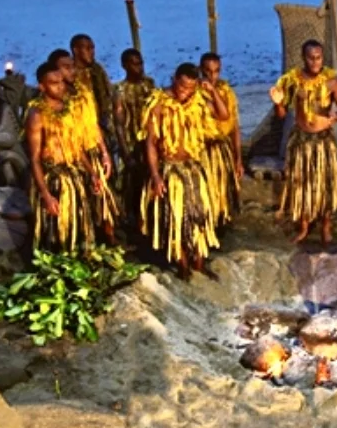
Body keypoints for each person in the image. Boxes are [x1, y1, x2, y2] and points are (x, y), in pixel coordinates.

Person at [141, 62, 228, 279]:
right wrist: (155, 176)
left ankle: (199, 261)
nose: (184, 93)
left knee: (199, 216)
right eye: (181, 87)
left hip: (194, 168)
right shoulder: (159, 105)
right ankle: (182, 263)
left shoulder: (198, 102)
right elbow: (151, 143)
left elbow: (224, 115)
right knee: (177, 218)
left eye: (190, 88)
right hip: (170, 169)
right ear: (174, 79)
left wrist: (212, 91)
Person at [269, 40, 337, 245]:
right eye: (311, 58)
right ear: (303, 58)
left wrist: (332, 119)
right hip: (301, 139)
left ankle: (326, 225)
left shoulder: (333, 82)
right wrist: (278, 103)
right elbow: (281, 115)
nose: (315, 62)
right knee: (301, 182)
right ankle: (304, 226)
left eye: (319, 57)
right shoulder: (292, 81)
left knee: (325, 183)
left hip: (322, 140)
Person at [25, 62, 95, 254]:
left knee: (79, 225)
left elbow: (77, 149)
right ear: (42, 86)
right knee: (55, 230)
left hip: (73, 175)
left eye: (62, 82)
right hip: (52, 178)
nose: (61, 86)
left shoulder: (69, 109)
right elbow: (34, 158)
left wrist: (92, 173)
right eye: (54, 83)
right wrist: (46, 195)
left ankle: (80, 262)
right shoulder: (36, 114)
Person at [49, 48, 117, 243]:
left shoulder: (83, 92)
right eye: (66, 67)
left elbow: (93, 123)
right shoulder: (53, 103)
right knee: (80, 204)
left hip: (90, 149)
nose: (72, 71)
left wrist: (104, 152)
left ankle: (110, 237)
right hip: (70, 158)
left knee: (103, 196)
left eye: (72, 67)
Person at [112, 48, 156, 231]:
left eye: (140, 63)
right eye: (134, 64)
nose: (139, 68)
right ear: (125, 66)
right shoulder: (120, 90)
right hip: (131, 143)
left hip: (150, 140)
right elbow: (119, 124)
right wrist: (125, 153)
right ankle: (132, 222)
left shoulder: (149, 85)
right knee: (132, 185)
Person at [199, 52, 243, 228]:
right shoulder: (194, 92)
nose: (212, 76)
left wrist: (238, 157)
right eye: (208, 71)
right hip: (202, 149)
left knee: (223, 191)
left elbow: (233, 126)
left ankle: (221, 226)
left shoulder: (226, 91)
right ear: (201, 69)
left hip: (222, 148)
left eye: (216, 71)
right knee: (206, 191)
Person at [70, 34, 114, 143]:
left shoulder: (97, 70)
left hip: (100, 126)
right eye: (88, 48)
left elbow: (107, 94)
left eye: (93, 48)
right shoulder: (69, 73)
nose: (92, 52)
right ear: (76, 50)